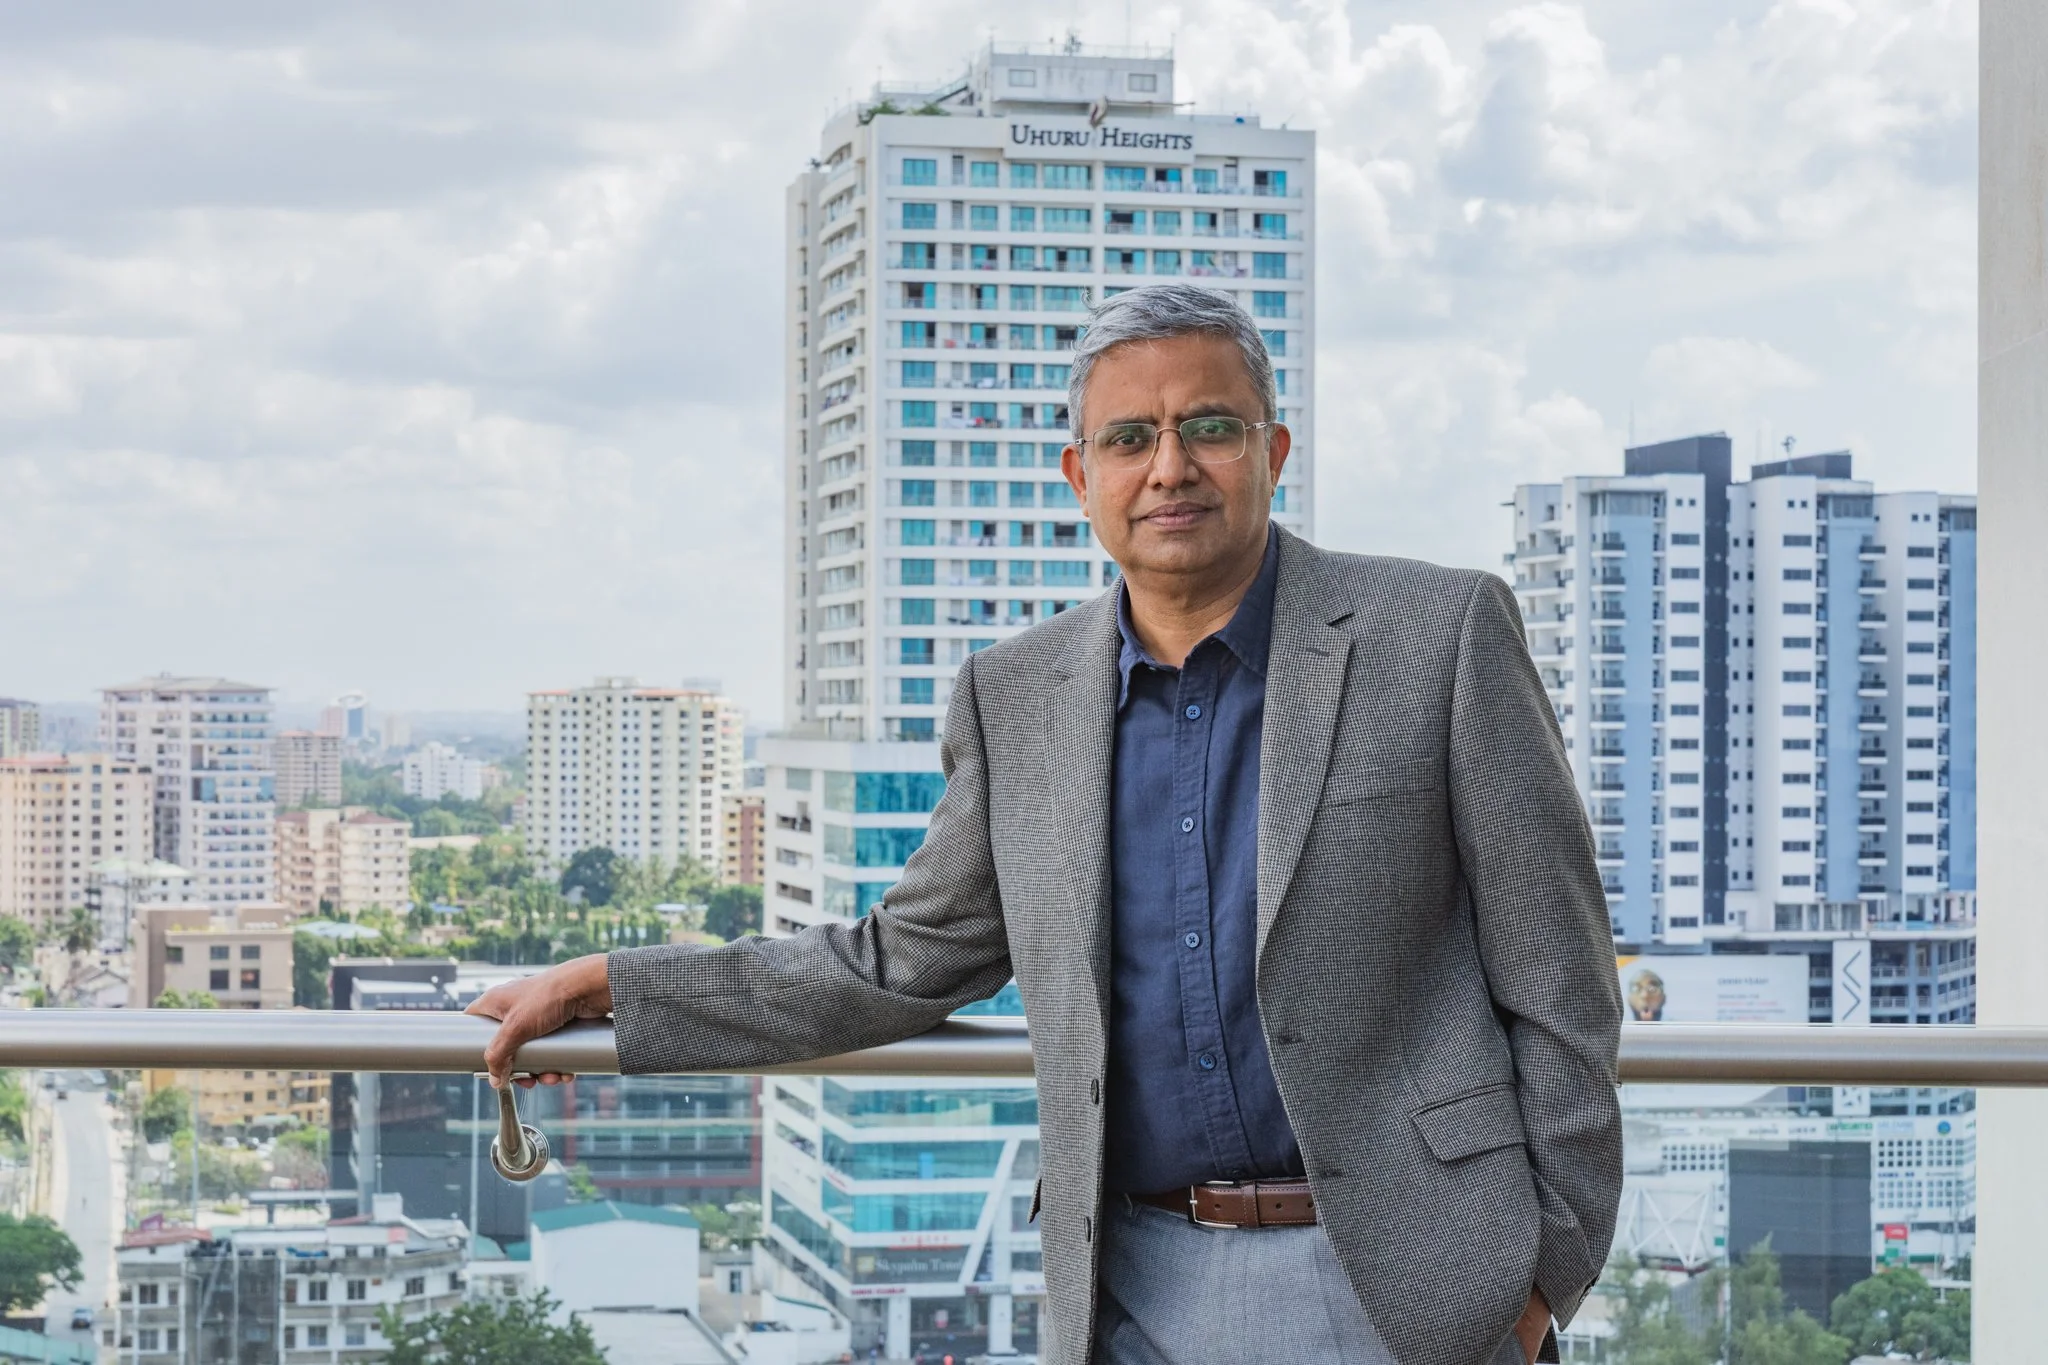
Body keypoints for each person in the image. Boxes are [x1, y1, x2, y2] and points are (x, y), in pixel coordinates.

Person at [470, 283, 1624, 1365]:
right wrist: (613, 990)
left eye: (1207, 428)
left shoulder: (1439, 635)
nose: (1168, 468)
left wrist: (1537, 1290)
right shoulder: (1013, 695)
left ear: (1272, 453)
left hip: (1407, 1281)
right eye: (1129, 439)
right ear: (1081, 477)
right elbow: (900, 958)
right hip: (1129, 1289)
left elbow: (1560, 983)